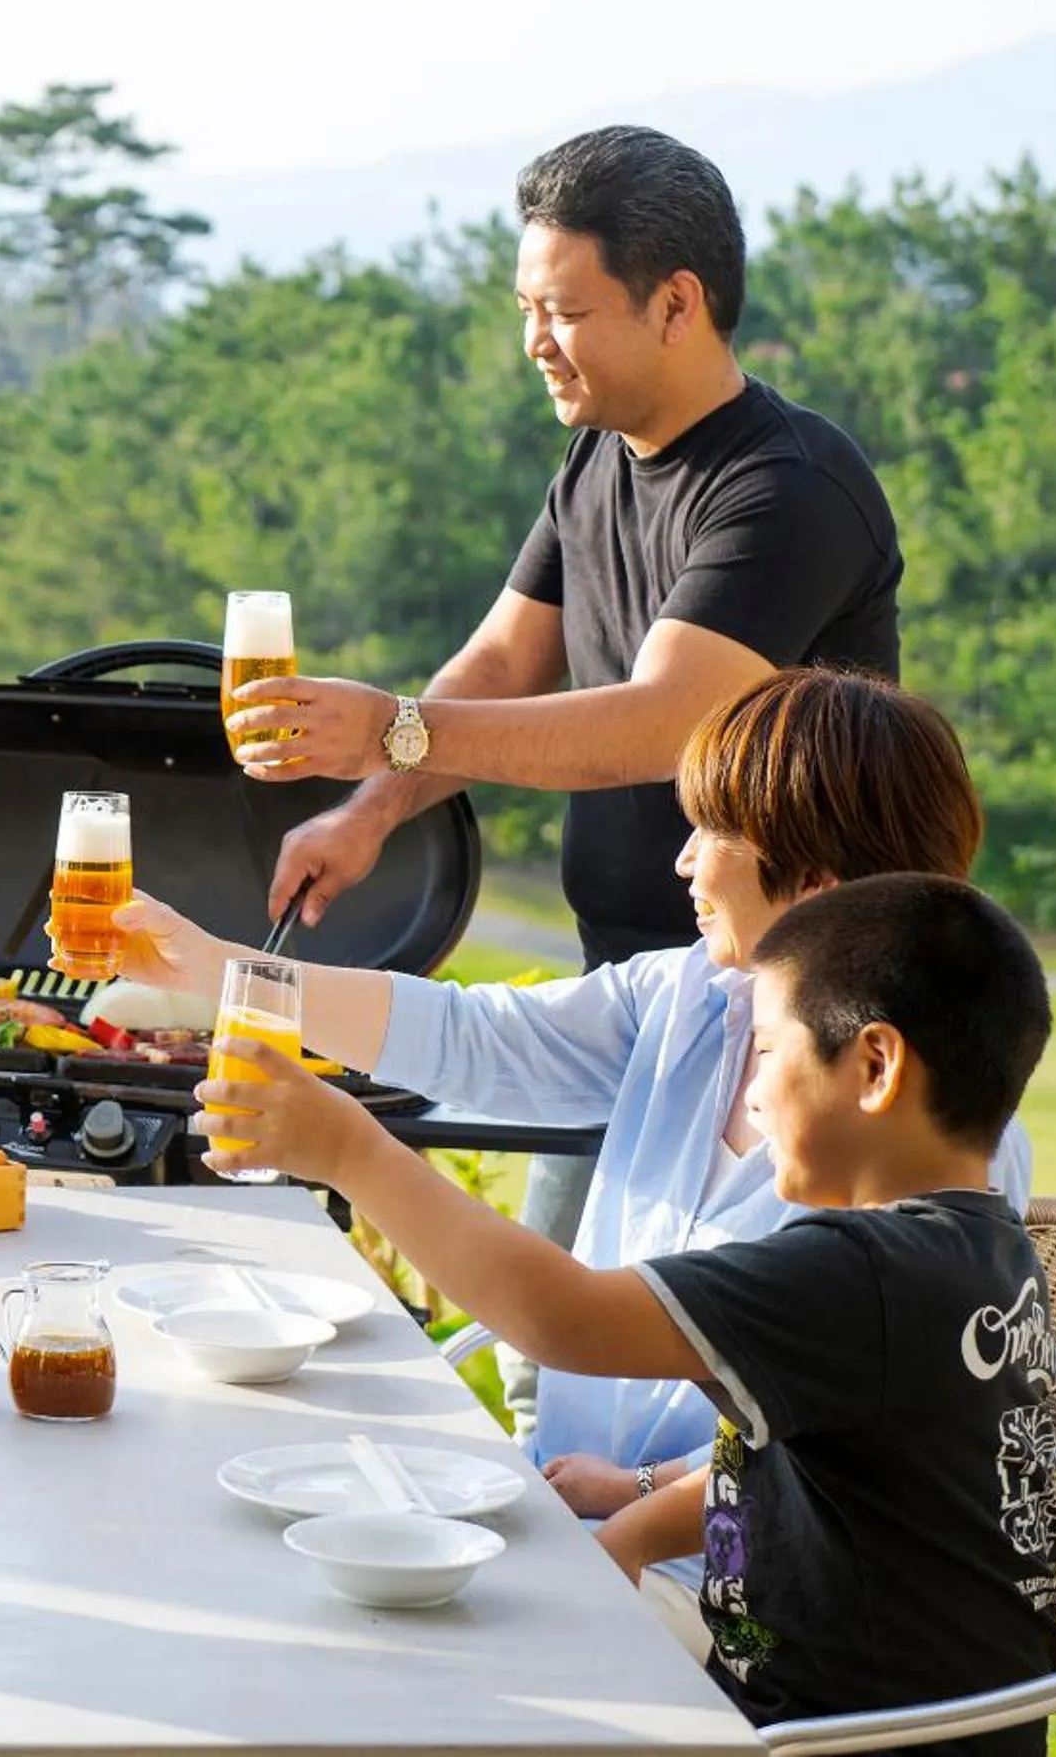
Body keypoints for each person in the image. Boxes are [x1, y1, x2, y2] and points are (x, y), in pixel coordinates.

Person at [233, 125, 906, 1410]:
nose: (537, 340)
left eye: (566, 310)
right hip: (639, 1007)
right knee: (564, 1370)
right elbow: (499, 661)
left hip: (785, 1023)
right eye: (525, 309)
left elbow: (667, 720)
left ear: (678, 305)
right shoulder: (597, 456)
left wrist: (388, 725)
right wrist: (373, 811)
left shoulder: (788, 488)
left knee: (701, 1398)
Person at [113, 666, 1030, 1536]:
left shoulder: (924, 1145)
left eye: (710, 833)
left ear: (817, 891)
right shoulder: (697, 997)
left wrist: (349, 1148)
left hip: (720, 1576)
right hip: (567, 1502)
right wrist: (219, 971)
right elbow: (476, 1038)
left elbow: (580, 1325)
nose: (682, 863)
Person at [197, 873, 1056, 1751]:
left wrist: (349, 1149)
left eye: (768, 1053)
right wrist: (632, 1531)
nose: (753, 1092)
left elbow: (561, 1318)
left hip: (815, 1736)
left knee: (398, 1676)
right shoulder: (984, 1254)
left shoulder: (855, 1276)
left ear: (875, 1068)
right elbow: (786, 1459)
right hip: (898, 1716)